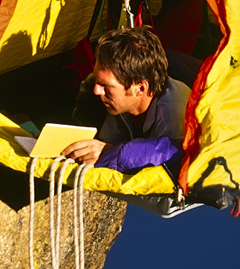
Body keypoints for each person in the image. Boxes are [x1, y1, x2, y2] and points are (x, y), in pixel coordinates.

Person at [63, 27, 191, 170]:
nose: (97, 91)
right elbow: (108, 142)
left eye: (105, 86)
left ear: (140, 89)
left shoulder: (174, 116)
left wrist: (110, 154)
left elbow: (168, 173)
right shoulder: (122, 102)